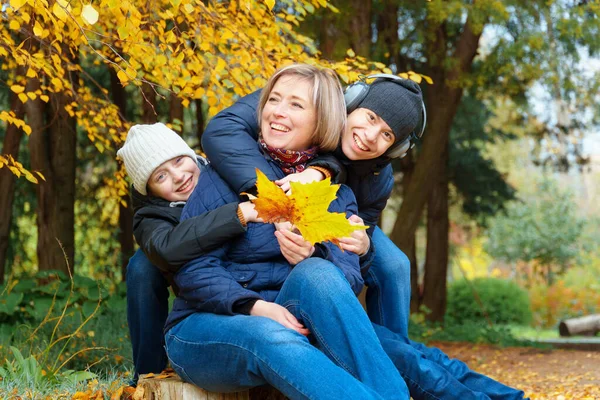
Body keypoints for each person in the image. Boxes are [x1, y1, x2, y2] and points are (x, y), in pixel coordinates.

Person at [201, 69, 528, 400]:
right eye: (369, 117)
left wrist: (364, 246)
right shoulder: (296, 101)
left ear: (396, 148)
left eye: (386, 135)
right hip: (275, 207)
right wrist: (278, 199)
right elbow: (221, 131)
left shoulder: (378, 178)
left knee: (392, 267)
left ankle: (385, 355)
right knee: (392, 274)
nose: (371, 135)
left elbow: (352, 246)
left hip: (330, 225)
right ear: (349, 103)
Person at [162, 64, 410, 398]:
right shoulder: (224, 176)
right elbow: (192, 269)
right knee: (271, 336)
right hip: (206, 326)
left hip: (292, 323)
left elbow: (348, 282)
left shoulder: (337, 194)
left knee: (319, 273)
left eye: (296, 105)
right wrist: (254, 307)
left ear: (322, 120)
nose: (277, 112)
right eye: (274, 100)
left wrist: (314, 253)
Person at [117, 122, 263, 383]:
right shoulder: (150, 216)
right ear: (150, 190)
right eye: (160, 176)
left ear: (191, 154)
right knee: (142, 265)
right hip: (197, 282)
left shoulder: (224, 169)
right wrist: (237, 215)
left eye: (178, 160)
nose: (178, 176)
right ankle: (147, 372)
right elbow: (165, 247)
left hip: (254, 271)